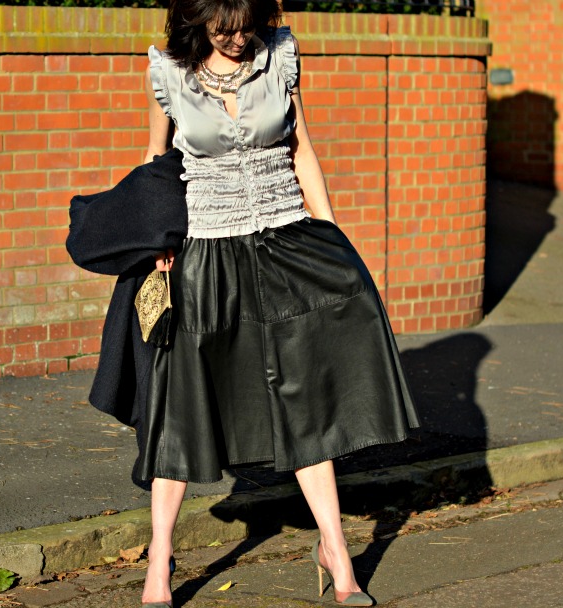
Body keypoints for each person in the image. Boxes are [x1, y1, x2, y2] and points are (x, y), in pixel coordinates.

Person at [130, 0, 420, 605]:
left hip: (287, 244)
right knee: (186, 402)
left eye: (246, 28)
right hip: (204, 253)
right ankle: (160, 558)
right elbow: (156, 164)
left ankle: (337, 554)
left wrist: (332, 236)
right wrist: (158, 240)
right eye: (223, 30)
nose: (238, 41)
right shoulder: (168, 74)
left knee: (305, 398)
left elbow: (302, 150)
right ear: (198, 23)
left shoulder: (280, 58)